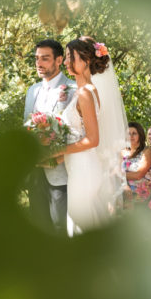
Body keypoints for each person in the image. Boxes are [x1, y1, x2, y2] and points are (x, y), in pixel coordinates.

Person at [53, 37, 128, 235]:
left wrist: (59, 150)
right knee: (86, 223)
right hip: (80, 165)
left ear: (86, 60)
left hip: (84, 167)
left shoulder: (86, 92)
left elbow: (93, 139)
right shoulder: (84, 91)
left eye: (71, 57)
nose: (66, 62)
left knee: (80, 225)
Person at [24, 39, 76, 233]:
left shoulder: (73, 88)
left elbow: (75, 132)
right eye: (37, 58)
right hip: (35, 169)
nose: (39, 63)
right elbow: (26, 126)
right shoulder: (32, 91)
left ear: (59, 60)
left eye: (45, 58)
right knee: (38, 224)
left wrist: (55, 154)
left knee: (60, 225)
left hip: (61, 169)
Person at [122, 122, 151, 206]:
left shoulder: (147, 151)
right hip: (124, 185)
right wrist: (124, 184)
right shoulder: (123, 152)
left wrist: (120, 175)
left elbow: (138, 175)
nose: (131, 136)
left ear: (140, 135)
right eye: (128, 134)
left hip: (141, 188)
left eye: (134, 133)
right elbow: (115, 171)